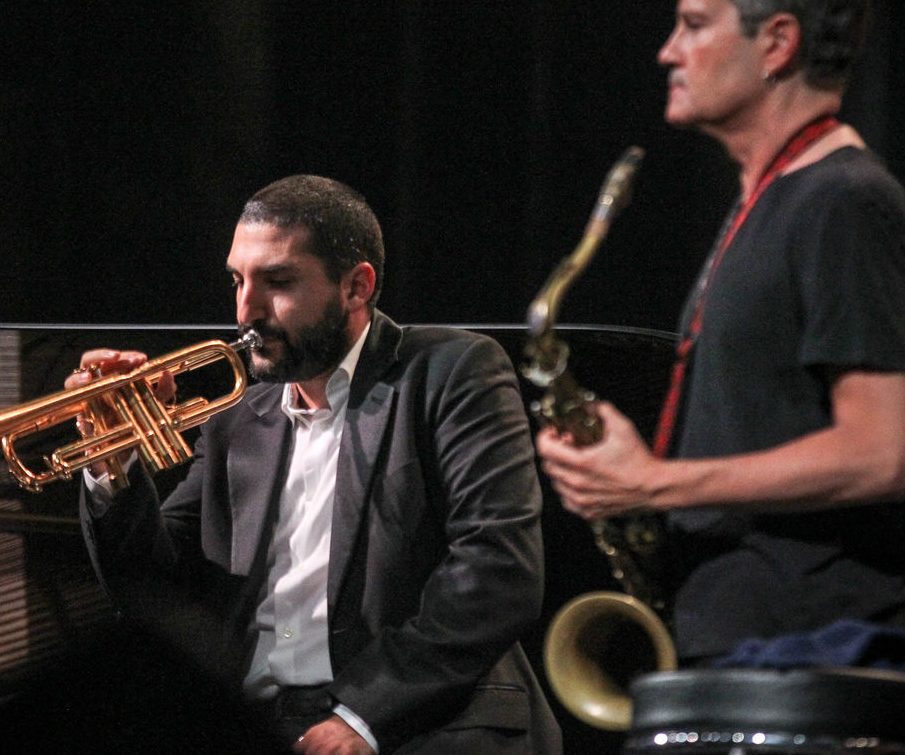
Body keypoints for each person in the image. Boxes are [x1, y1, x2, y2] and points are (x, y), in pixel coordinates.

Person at [536, 0, 905, 666]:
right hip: (741, 652)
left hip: (803, 657)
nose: (667, 51)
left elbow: (880, 453)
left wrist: (655, 482)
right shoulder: (772, 202)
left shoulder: (845, 201)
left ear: (777, 42)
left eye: (693, 24)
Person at [72, 174, 562, 754]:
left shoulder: (453, 371)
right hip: (258, 721)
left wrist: (364, 717)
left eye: (277, 282)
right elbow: (157, 588)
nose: (246, 310)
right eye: (237, 280)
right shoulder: (235, 418)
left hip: (413, 722)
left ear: (356, 287)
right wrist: (116, 463)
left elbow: (499, 569)